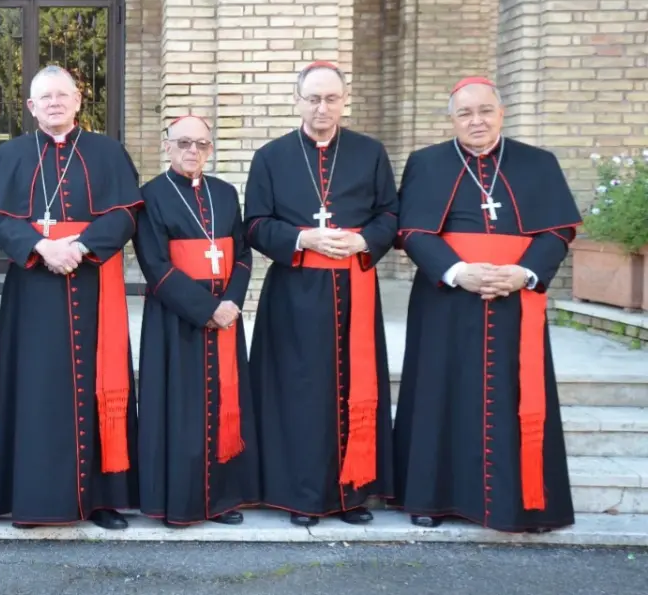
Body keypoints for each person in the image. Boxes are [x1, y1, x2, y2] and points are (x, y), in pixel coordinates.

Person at [393, 77, 580, 533]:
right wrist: (458, 272)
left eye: (485, 111)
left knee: (514, 397)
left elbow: (557, 231)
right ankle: (431, 500)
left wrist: (525, 273)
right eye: (464, 113)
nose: (476, 120)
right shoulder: (426, 163)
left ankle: (522, 504)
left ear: (502, 112)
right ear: (452, 118)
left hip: (515, 301)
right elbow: (412, 231)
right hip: (447, 300)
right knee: (439, 393)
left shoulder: (538, 163)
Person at [0, 65, 142, 530]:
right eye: (44, 97)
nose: (54, 103)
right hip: (32, 285)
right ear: (30, 106)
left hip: (92, 285)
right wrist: (41, 246)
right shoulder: (11, 155)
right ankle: (31, 499)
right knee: (35, 390)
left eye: (62, 95)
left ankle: (101, 500)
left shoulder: (107, 152)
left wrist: (81, 247)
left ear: (78, 100)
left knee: (98, 387)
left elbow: (126, 214)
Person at [243, 61, 398, 526]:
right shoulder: (271, 156)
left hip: (354, 290)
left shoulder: (370, 153)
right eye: (313, 98)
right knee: (297, 393)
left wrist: (363, 240)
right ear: (298, 100)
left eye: (331, 98)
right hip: (294, 291)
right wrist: (302, 239)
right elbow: (254, 224)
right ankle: (299, 498)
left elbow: (391, 214)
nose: (322, 107)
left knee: (354, 387)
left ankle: (350, 496)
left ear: (344, 101)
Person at [133, 115, 259, 527]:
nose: (193, 151)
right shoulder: (150, 196)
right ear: (166, 145)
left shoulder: (224, 193)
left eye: (202, 144)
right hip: (176, 319)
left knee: (223, 404)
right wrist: (206, 309)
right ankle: (179, 503)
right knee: (181, 410)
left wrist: (232, 303)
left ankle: (220, 500)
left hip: (226, 316)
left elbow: (242, 254)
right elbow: (155, 265)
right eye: (184, 142)